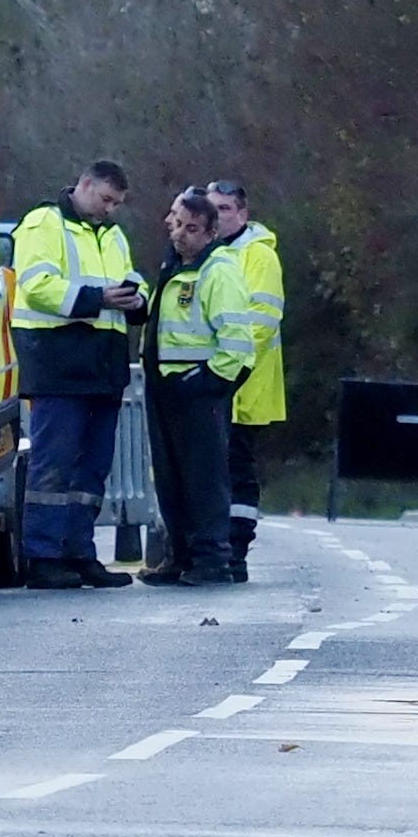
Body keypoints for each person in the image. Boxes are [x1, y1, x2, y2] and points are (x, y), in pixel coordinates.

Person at [9, 160, 146, 589]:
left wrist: (137, 300)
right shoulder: (43, 223)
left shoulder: (113, 235)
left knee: (92, 469)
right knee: (54, 465)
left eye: (117, 204)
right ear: (84, 185)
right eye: (106, 199)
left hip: (103, 366)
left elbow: (131, 282)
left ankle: (80, 552)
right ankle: (43, 555)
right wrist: (99, 298)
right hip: (60, 363)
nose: (110, 210)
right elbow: (37, 284)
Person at [140, 188, 255, 584]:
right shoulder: (175, 266)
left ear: (210, 233)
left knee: (204, 480)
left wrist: (209, 383)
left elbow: (238, 340)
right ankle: (181, 555)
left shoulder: (218, 271)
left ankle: (211, 560)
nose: (181, 234)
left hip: (199, 390)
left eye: (192, 229)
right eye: (178, 225)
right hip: (167, 387)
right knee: (171, 479)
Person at [205, 179, 285, 576]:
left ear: (242, 214)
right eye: (212, 208)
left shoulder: (258, 256)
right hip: (213, 383)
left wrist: (225, 364)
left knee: (237, 469)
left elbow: (262, 321)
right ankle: (213, 547)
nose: (217, 216)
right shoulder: (209, 252)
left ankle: (236, 549)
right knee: (212, 469)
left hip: (244, 385)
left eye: (224, 209)